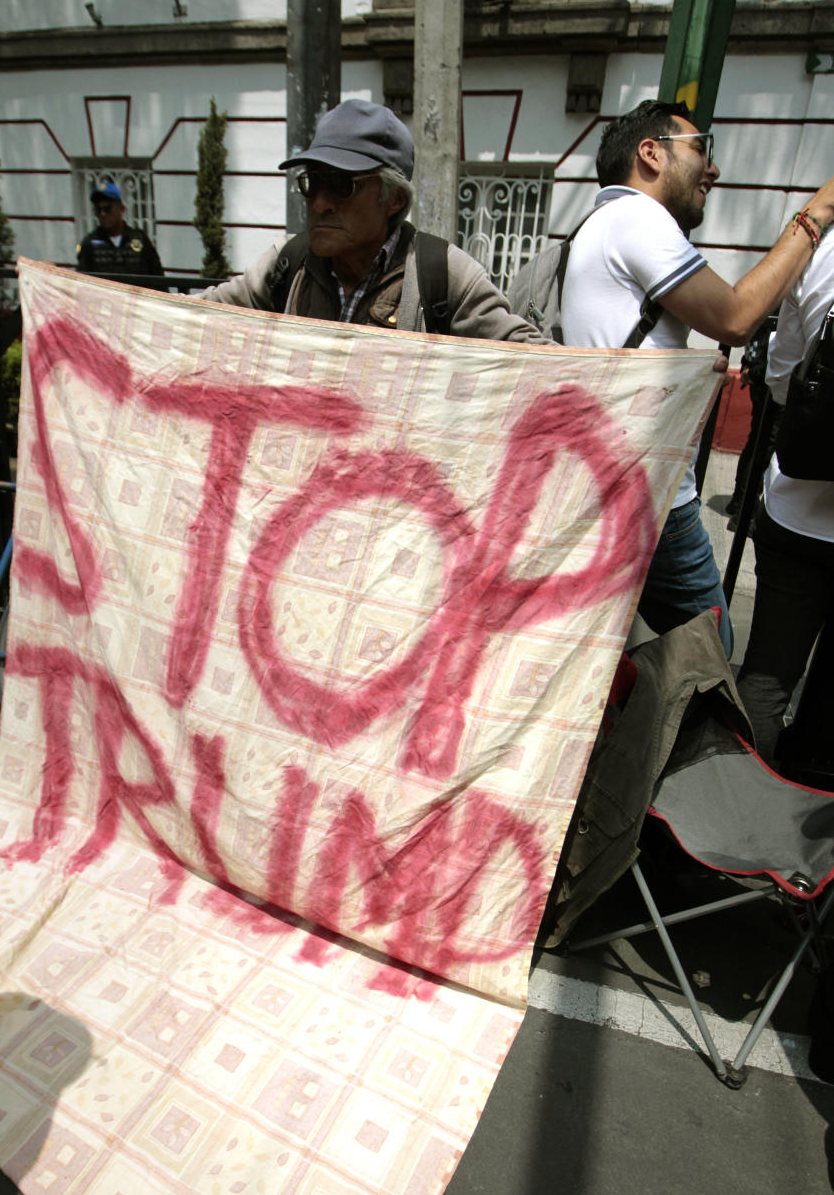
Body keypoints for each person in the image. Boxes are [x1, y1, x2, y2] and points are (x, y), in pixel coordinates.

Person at [560, 97, 834, 660]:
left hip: (606, 477)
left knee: (606, 651)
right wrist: (816, 215)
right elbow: (734, 317)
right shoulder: (639, 218)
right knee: (706, 655)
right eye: (701, 148)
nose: (712, 168)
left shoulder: (601, 223)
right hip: (649, 490)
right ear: (651, 154)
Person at [197, 98, 541, 341]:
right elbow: (190, 318)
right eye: (312, 183)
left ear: (394, 199)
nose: (319, 204)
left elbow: (533, 364)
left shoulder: (444, 277)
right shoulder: (287, 264)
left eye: (340, 185)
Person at [736, 225, 834, 766]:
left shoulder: (823, 249)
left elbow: (780, 380)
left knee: (768, 675)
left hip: (797, 509)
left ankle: (741, 815)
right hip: (796, 516)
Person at [76, 181, 164, 278]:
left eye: (107, 209)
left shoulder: (140, 239)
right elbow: (81, 282)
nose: (102, 214)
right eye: (98, 210)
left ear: (121, 209)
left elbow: (158, 278)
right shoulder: (90, 243)